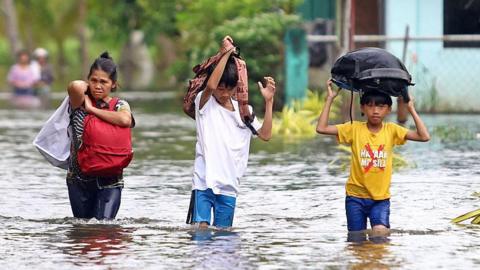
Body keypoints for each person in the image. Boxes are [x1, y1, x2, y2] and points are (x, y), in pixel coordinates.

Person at [316, 79, 430, 235]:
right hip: (355, 198)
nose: (375, 111)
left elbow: (424, 137)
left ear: (389, 109)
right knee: (356, 240)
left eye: (381, 106)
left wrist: (411, 108)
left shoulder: (392, 130)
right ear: (362, 107)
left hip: (381, 199)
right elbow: (321, 128)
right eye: (370, 105)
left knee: (380, 236)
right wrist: (330, 99)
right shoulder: (353, 128)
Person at [188, 36, 275, 229]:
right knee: (200, 230)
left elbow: (266, 135)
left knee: (223, 236)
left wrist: (269, 102)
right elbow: (210, 86)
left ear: (237, 87)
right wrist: (226, 54)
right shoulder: (204, 103)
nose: (224, 93)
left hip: (229, 185)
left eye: (229, 88)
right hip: (203, 181)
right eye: (221, 88)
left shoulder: (244, 112)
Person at [66, 52, 134, 220]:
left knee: (104, 228)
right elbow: (75, 85)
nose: (98, 86)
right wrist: (87, 95)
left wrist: (93, 110)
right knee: (83, 230)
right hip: (79, 180)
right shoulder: (79, 102)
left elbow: (125, 120)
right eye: (94, 80)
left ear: (113, 85)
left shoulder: (120, 105)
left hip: (110, 180)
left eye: (104, 82)